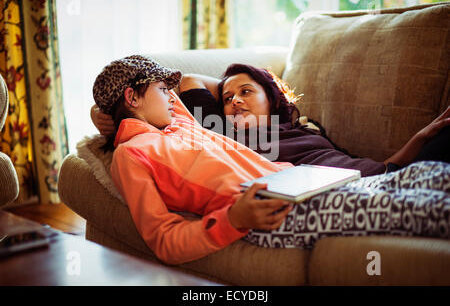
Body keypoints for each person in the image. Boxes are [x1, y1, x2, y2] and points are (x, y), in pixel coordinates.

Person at [92, 55, 450, 266]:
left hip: (304, 180)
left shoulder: (179, 123)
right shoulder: (132, 154)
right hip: (275, 210)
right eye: (161, 90)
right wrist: (231, 220)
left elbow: (179, 85)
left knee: (436, 177)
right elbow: (164, 240)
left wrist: (131, 102)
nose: (172, 96)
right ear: (132, 96)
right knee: (425, 211)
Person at [93, 63, 450, 177]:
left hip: (384, 177)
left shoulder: (306, 128)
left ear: (273, 98)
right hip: (336, 190)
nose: (234, 101)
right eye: (228, 98)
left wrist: (421, 136)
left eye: (246, 92)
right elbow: (189, 82)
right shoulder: (220, 132)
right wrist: (233, 89)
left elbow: (379, 167)